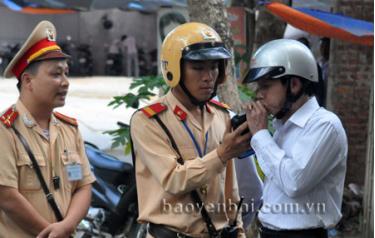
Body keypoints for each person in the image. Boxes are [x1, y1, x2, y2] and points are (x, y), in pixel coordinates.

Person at [131, 22, 254, 238]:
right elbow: (173, 180)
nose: (208, 77)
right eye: (198, 68)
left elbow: (230, 190)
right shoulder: (149, 121)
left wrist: (239, 230)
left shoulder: (222, 116)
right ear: (174, 69)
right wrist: (222, 154)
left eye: (214, 67)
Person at [243, 39, 348, 238]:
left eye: (265, 86)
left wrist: (260, 135)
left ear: (294, 84)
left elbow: (294, 182)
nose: (259, 95)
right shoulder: (281, 125)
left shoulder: (325, 125)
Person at [0, 20, 95, 238]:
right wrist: (51, 233)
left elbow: (83, 186)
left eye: (66, 73)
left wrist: (67, 226)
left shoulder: (69, 129)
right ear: (28, 80)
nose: (65, 82)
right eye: (55, 74)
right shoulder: (5, 130)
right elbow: (6, 196)